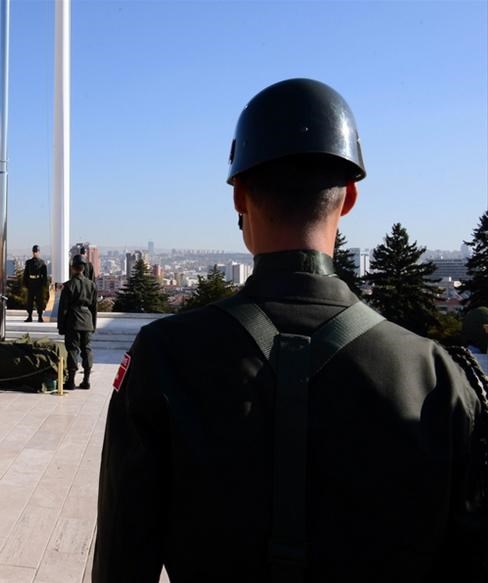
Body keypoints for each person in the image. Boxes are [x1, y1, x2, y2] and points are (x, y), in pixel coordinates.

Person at [93, 79, 487, 582]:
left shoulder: (165, 356)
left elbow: (122, 558)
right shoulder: (436, 378)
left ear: (239, 196)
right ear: (349, 198)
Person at [58, 255, 97, 392]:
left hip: (73, 321)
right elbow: (94, 308)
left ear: (73, 268)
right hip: (87, 321)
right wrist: (93, 325)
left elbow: (63, 309)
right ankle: (86, 380)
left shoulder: (69, 285)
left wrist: (61, 326)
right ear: (84, 268)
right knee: (87, 350)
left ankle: (71, 381)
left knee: (73, 350)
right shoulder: (91, 285)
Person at [23, 244, 48, 322]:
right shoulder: (29, 262)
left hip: (38, 284)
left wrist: (44, 284)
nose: (35, 253)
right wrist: (25, 283)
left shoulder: (42, 262)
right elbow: (26, 274)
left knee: (39, 301)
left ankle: (40, 316)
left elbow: (44, 275)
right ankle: (29, 316)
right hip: (31, 283)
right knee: (29, 301)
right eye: (34, 251)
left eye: (36, 251)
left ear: (39, 252)